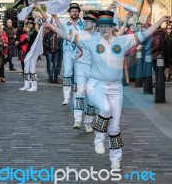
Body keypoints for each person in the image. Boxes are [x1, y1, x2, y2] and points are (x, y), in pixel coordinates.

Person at [45, 11, 170, 170]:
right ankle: (98, 138)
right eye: (101, 26)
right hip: (96, 85)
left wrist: (161, 19)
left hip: (116, 88)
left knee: (115, 127)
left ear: (112, 27)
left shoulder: (123, 41)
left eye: (107, 26)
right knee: (105, 108)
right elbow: (67, 35)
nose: (103, 29)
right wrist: (51, 25)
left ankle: (116, 159)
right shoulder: (90, 41)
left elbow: (145, 33)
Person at [18, 17, 39, 91]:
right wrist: (19, 42)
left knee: (32, 69)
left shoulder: (35, 33)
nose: (29, 25)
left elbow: (35, 43)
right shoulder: (29, 32)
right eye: (28, 24)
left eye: (30, 24)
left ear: (33, 25)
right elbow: (26, 41)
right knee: (26, 69)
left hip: (33, 53)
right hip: (28, 52)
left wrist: (27, 39)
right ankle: (26, 85)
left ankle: (34, 86)